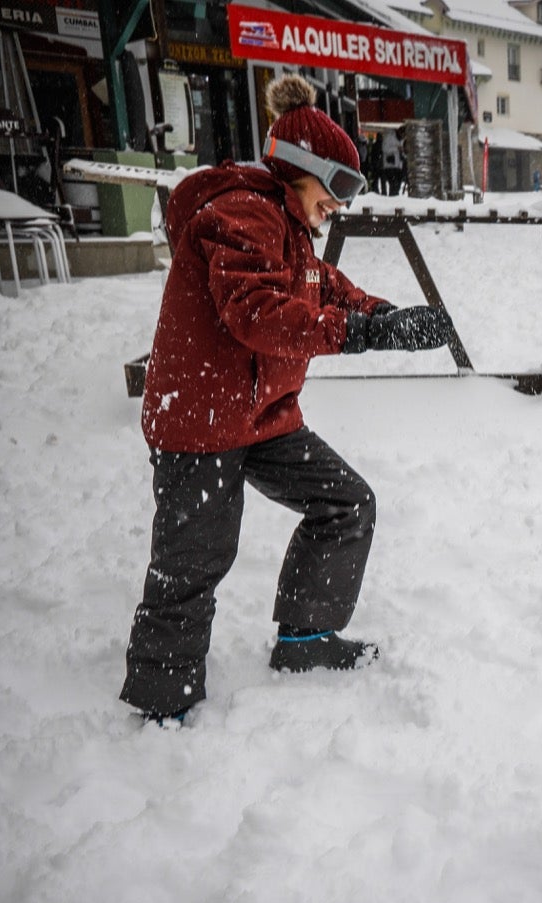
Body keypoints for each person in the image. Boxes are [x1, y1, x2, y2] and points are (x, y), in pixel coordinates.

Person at [120, 75, 455, 723]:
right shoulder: (241, 213)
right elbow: (256, 315)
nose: (338, 206)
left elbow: (323, 286)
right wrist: (361, 333)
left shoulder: (289, 225)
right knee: (194, 560)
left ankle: (306, 639)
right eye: (334, 191)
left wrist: (385, 315)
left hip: (261, 414)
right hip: (202, 419)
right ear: (301, 171)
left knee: (344, 502)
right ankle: (162, 704)